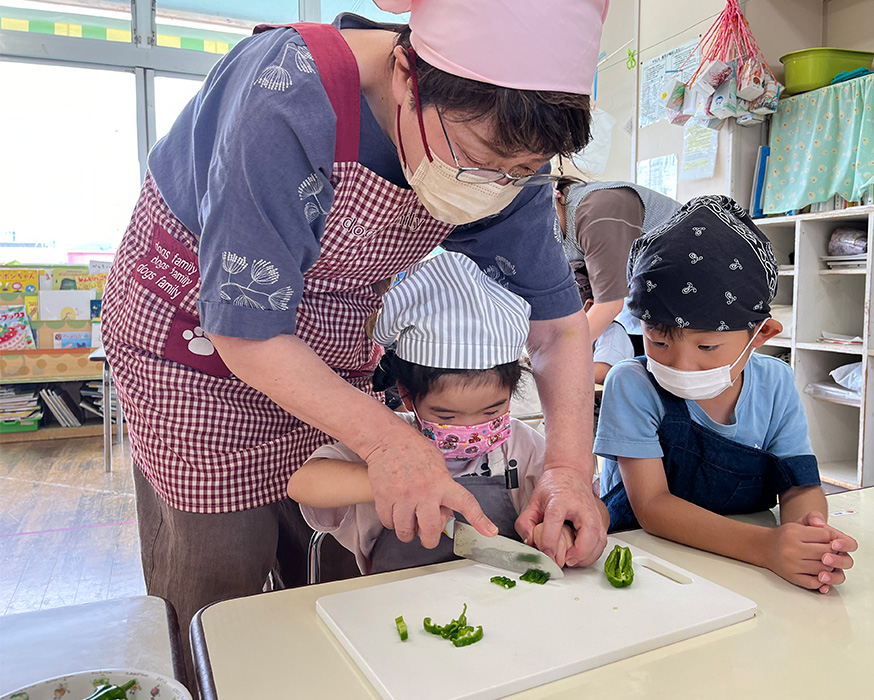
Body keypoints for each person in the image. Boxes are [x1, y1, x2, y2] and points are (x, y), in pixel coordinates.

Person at [100, 0, 610, 683]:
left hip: (324, 347)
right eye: (482, 160)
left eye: (525, 170)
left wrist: (569, 469)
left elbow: (554, 326)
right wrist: (390, 440)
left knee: (334, 578)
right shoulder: (285, 93)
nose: (501, 187)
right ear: (407, 72)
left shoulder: (502, 154)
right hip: (193, 346)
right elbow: (244, 329)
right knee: (219, 578)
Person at [595, 196, 858, 594]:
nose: (681, 364)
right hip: (648, 566)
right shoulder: (631, 384)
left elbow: (799, 485)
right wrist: (768, 547)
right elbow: (651, 507)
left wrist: (809, 539)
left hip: (745, 576)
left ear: (760, 336)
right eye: (658, 341)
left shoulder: (775, 383)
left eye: (706, 348)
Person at [289, 252, 609, 573]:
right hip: (397, 595)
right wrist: (391, 480)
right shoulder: (388, 442)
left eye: (492, 410)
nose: (471, 428)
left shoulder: (520, 446)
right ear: (407, 395)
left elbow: (590, 504)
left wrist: (562, 529)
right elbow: (304, 484)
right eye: (447, 416)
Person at [554, 178, 682, 353]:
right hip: (645, 302)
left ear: (554, 194)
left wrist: (557, 354)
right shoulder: (552, 234)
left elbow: (609, 304)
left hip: (689, 284)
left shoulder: (597, 212)